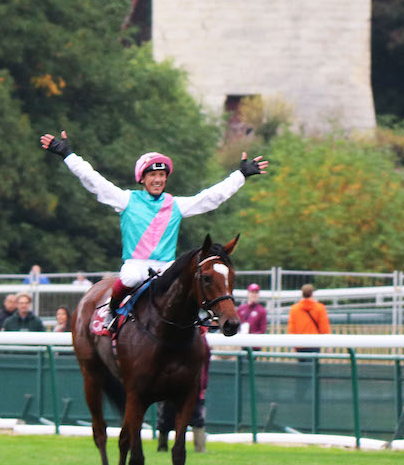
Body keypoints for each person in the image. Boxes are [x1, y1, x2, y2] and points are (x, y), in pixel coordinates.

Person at [39, 130, 268, 330]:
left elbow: (211, 197)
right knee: (130, 277)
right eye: (152, 175)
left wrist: (240, 175)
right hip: (136, 264)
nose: (158, 179)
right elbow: (93, 180)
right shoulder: (126, 200)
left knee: (191, 283)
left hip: (166, 267)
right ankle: (111, 312)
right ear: (142, 178)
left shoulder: (176, 204)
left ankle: (197, 325)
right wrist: (67, 155)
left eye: (161, 175)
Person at [287, 284, 330, 352]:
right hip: (314, 342)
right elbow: (324, 327)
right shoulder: (320, 308)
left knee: (303, 362)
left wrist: (292, 344)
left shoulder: (294, 309)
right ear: (312, 294)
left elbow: (292, 327)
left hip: (299, 343)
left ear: (302, 294)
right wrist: (328, 343)